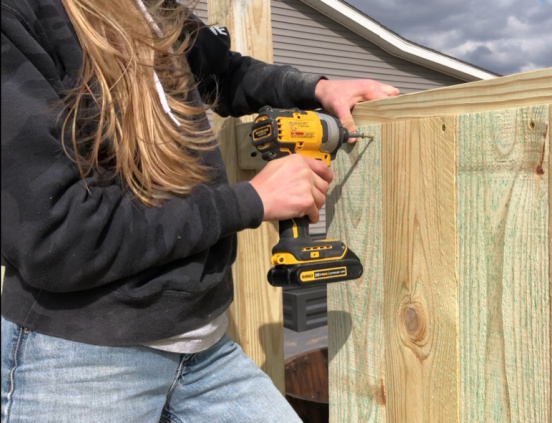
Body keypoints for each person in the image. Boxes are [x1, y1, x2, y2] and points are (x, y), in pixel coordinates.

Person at [0, 0, 398, 421]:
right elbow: (59, 236)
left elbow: (225, 73)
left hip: (205, 349)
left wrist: (317, 88)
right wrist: (251, 200)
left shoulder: (152, 7)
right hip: (82, 360)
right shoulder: (21, 15)